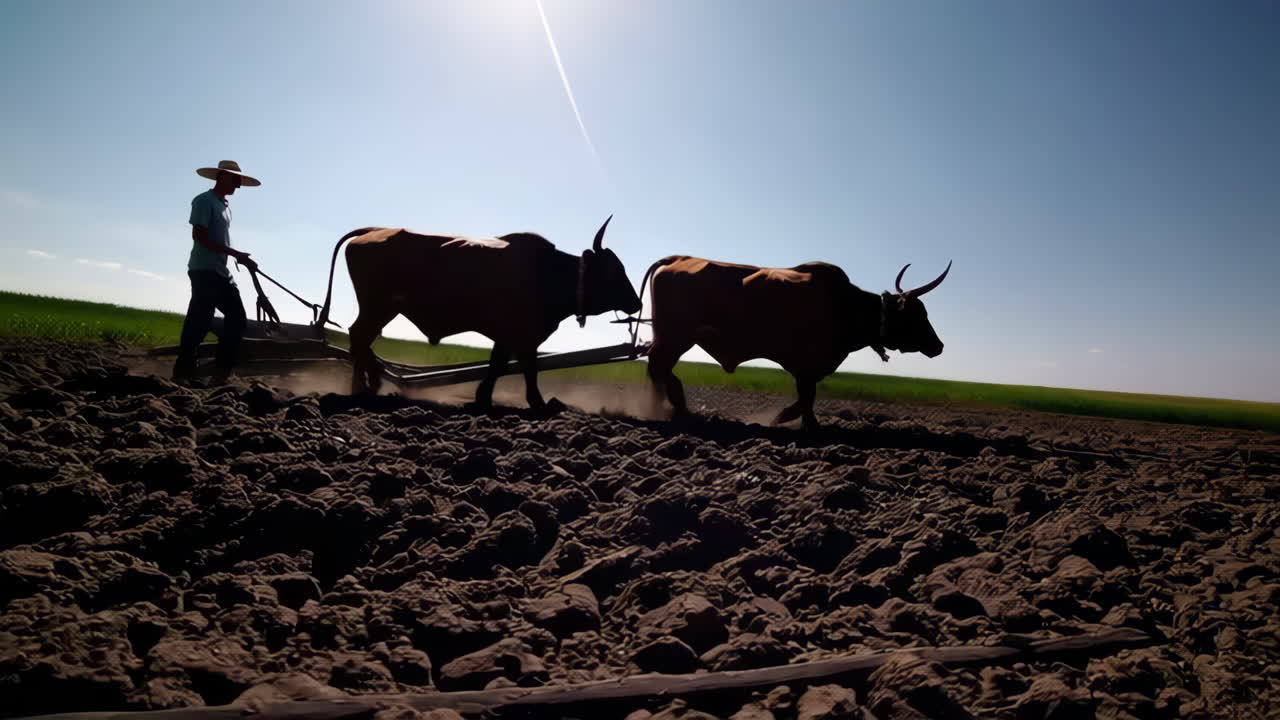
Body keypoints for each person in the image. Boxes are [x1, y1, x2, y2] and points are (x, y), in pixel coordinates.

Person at [172, 160, 261, 382]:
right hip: (203, 269)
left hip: (220, 271)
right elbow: (199, 237)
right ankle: (184, 369)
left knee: (237, 318)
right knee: (200, 318)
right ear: (221, 177)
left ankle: (221, 370)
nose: (238, 186)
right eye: (235, 180)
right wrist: (236, 254)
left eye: (239, 181)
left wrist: (237, 258)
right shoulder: (204, 201)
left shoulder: (225, 206)